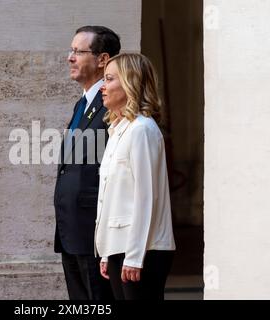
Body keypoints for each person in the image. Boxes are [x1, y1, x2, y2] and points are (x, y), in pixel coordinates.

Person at [95, 53, 176, 300]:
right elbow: (112, 199)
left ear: (130, 82)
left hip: (144, 250)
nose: (102, 86)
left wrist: (134, 256)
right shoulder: (118, 130)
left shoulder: (142, 129)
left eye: (109, 79)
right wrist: (108, 251)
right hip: (121, 246)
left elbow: (145, 196)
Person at [54, 26, 121, 300]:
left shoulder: (112, 105)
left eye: (78, 51)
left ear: (102, 59)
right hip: (71, 230)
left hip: (93, 232)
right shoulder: (82, 104)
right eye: (71, 50)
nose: (70, 57)